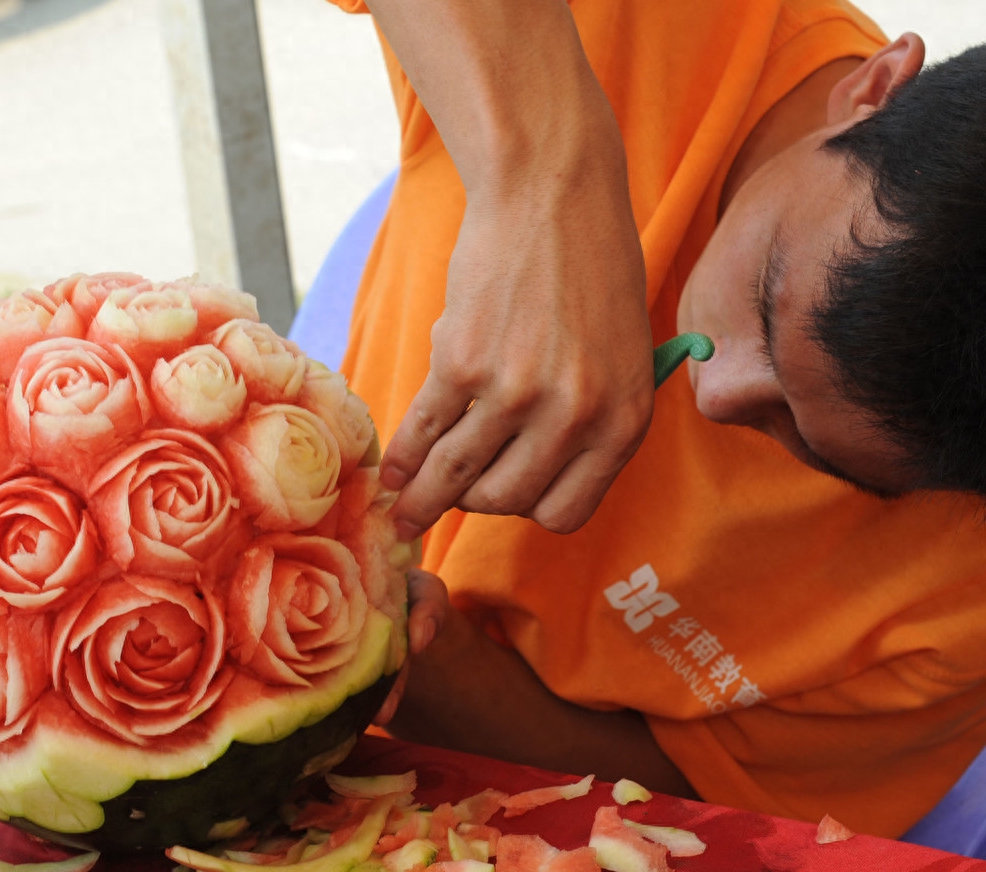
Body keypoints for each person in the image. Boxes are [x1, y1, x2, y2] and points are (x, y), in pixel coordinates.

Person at [324, 0, 986, 840]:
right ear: (876, 89)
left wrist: (425, 661)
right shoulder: (675, 25)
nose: (711, 394)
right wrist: (545, 177)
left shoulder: (965, 609)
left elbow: (692, 801)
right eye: (767, 293)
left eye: (811, 448)